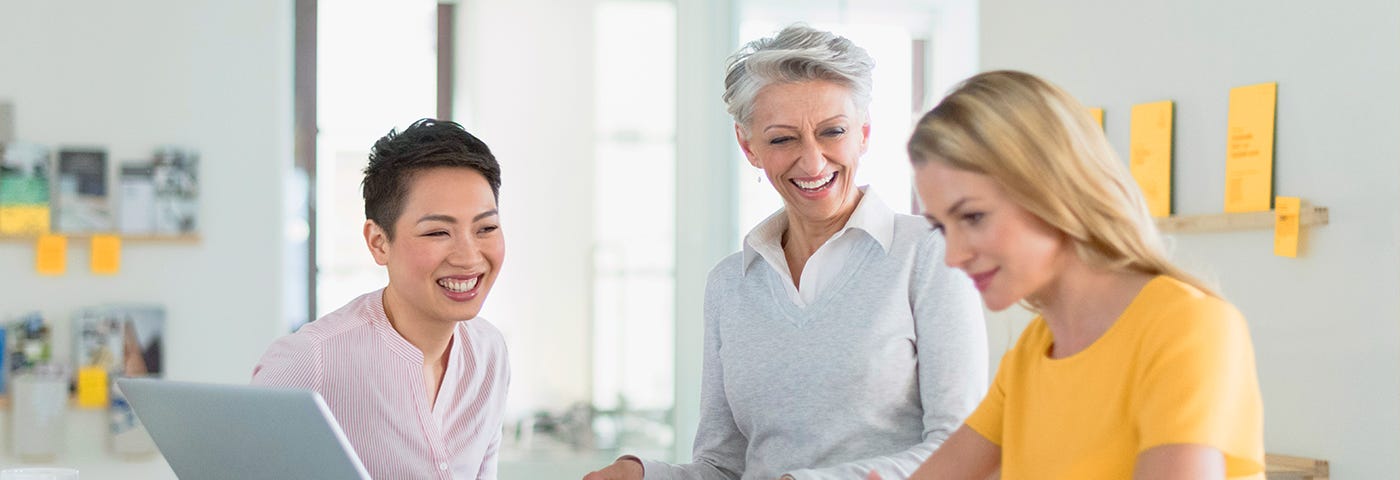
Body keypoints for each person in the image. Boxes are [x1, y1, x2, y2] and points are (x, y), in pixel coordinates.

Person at [585, 24, 987, 480]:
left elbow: (962, 449)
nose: (813, 162)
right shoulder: (730, 285)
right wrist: (645, 475)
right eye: (782, 139)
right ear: (748, 145)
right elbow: (724, 467)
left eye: (832, 131)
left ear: (864, 133)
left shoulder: (929, 253)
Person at [889, 70, 1264, 480]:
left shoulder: (1186, 326)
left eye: (973, 217)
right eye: (942, 227)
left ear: (1053, 189)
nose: (954, 256)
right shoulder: (1034, 351)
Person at [253, 118, 509, 479]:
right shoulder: (314, 358)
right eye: (438, 231)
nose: (468, 257)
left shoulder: (490, 353)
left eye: (486, 228)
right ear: (378, 242)